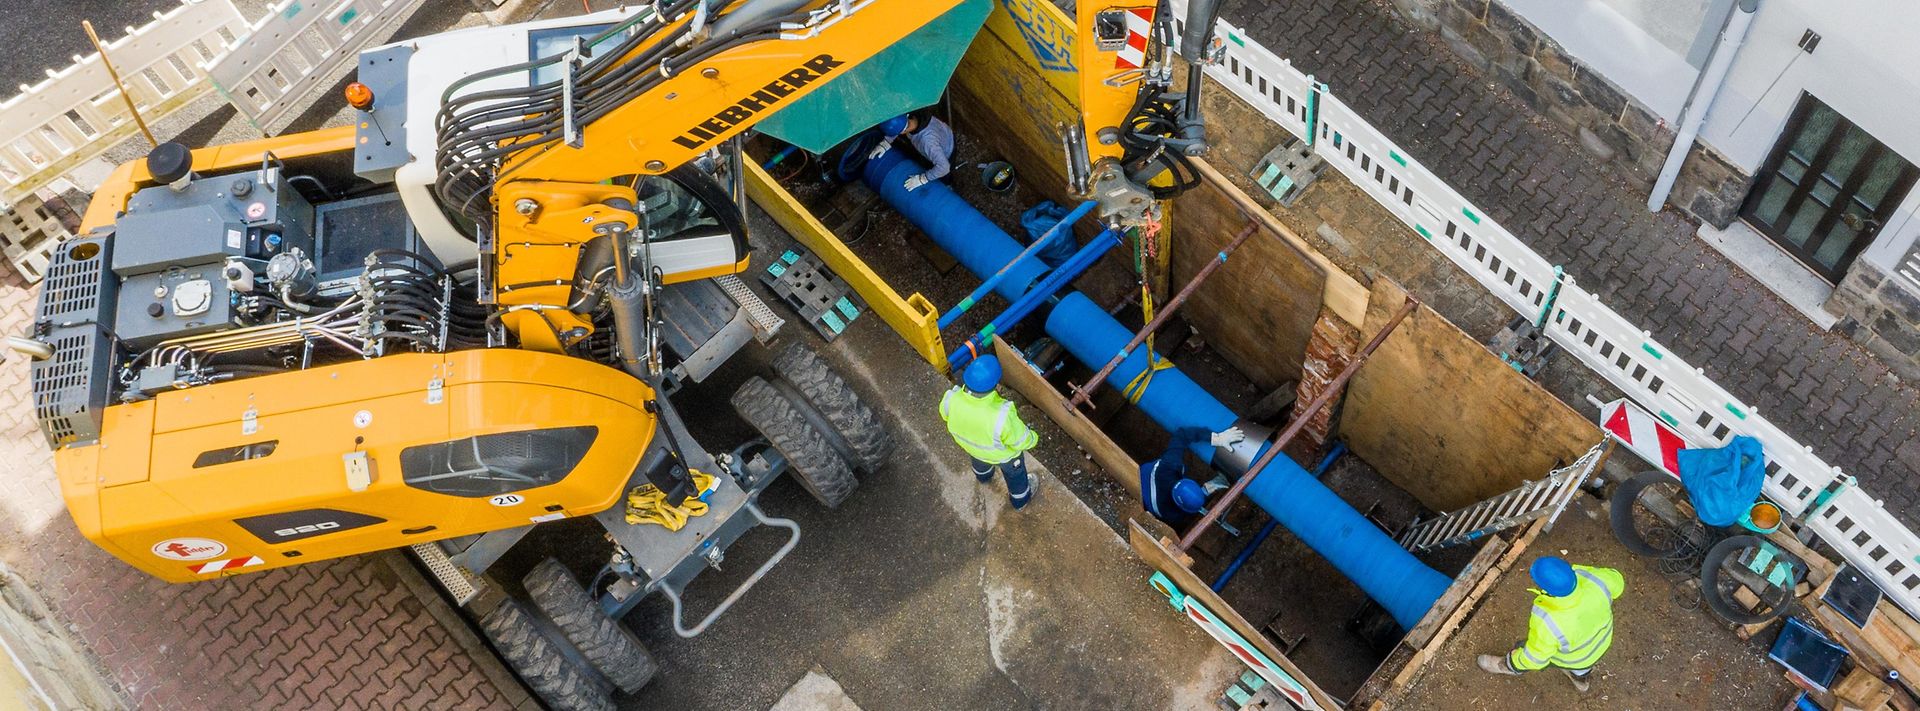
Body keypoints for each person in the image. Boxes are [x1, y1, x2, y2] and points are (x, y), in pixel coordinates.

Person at [1477, 556, 1624, 693]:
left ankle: (1505, 667)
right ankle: (1581, 682)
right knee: (1583, 667)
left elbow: (1536, 658)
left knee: (1523, 648)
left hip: (1573, 657)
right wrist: (1585, 573)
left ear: (1546, 589)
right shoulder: (1597, 580)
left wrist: (1515, 662)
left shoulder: (1548, 620)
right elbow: (1618, 581)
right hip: (1602, 641)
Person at [939, 356, 1039, 509]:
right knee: (1016, 476)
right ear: (994, 385)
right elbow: (1020, 440)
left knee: (979, 460)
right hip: (1004, 457)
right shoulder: (1002, 415)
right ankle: (1021, 500)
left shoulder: (950, 398)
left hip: (973, 448)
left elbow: (945, 415)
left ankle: (984, 476)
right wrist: (1033, 438)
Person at [1141, 426, 1243, 525]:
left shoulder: (1170, 465)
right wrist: (1206, 490)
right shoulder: (1171, 514)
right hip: (1144, 489)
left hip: (1142, 476)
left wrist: (1217, 438)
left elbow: (1182, 434)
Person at [869, 110, 955, 192]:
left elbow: (944, 167)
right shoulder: (916, 114)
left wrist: (923, 178)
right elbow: (900, 124)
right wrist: (886, 142)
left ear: (903, 132)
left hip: (947, 149)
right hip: (943, 132)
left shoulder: (927, 143)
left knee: (945, 173)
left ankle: (948, 184)